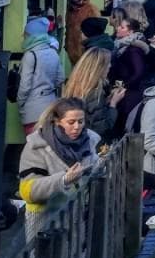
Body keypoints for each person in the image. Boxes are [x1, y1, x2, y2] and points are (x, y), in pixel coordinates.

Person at [18, 98, 100, 238]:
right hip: (45, 221)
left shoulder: (89, 140)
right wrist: (63, 180)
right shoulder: (37, 145)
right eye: (71, 122)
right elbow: (27, 191)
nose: (77, 127)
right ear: (57, 121)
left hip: (78, 217)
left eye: (81, 121)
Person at [63, 47, 124, 144]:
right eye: (108, 63)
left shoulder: (75, 86)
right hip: (91, 145)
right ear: (99, 67)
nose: (110, 66)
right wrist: (113, 104)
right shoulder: (95, 92)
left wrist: (106, 101)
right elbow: (102, 127)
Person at [18, 16, 64, 135]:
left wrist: (20, 103)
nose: (24, 37)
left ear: (33, 36)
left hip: (32, 110)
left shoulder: (30, 55)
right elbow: (60, 79)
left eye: (26, 34)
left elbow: (25, 86)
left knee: (33, 147)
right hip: (50, 106)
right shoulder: (53, 53)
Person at [110, 12, 150, 135]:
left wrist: (124, 85)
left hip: (130, 94)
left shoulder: (133, 50)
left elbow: (139, 72)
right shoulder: (122, 46)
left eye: (122, 27)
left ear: (130, 32)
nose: (118, 28)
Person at [65, 0, 101, 64]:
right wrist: (67, 46)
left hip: (87, 52)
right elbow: (68, 29)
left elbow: (97, 32)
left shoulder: (91, 9)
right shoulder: (70, 10)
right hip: (73, 52)